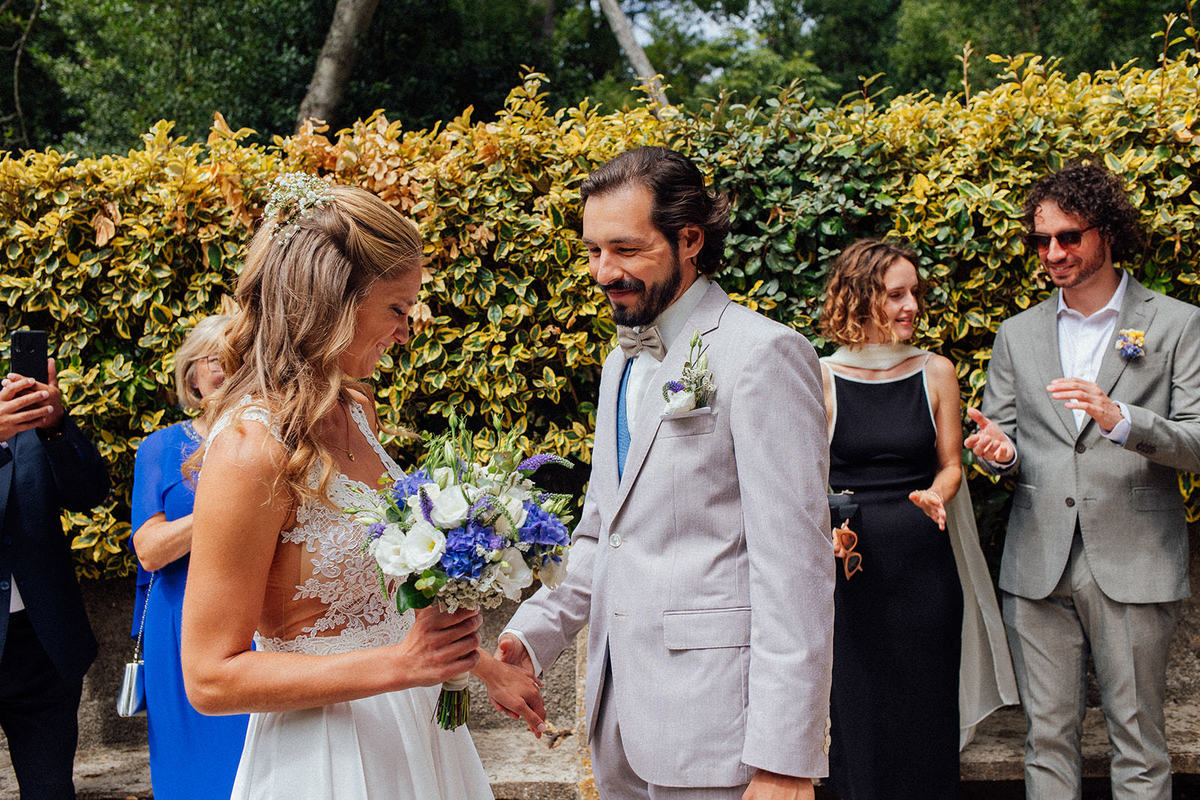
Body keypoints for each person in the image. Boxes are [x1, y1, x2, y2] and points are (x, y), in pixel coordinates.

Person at [180, 175, 542, 800]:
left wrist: (480, 667)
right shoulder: (249, 450)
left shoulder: (357, 413)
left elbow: (379, 611)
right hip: (325, 754)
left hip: (419, 732)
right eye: (397, 308)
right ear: (331, 302)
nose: (407, 330)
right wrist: (401, 667)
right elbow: (210, 679)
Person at [494, 146, 834, 800]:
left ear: (690, 240)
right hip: (621, 720)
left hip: (724, 737)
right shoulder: (621, 364)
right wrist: (529, 638)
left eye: (625, 249)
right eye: (592, 251)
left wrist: (787, 757)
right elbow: (601, 534)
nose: (603, 271)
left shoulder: (764, 354)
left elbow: (795, 570)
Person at [965, 159, 1200, 800]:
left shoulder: (1176, 324)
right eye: (1041, 240)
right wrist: (998, 453)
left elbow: (1197, 440)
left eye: (1069, 236)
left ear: (1107, 232)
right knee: (1046, 742)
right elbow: (1004, 438)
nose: (1054, 252)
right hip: (1037, 563)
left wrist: (1121, 418)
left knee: (1140, 742)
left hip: (1133, 559)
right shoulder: (1018, 333)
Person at [817, 240, 1016, 800]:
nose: (911, 307)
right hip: (851, 570)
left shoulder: (937, 372)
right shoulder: (822, 376)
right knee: (857, 713)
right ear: (859, 298)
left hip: (925, 569)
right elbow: (807, 482)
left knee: (926, 712)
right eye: (895, 295)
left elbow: (952, 465)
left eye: (914, 294)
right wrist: (825, 527)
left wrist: (935, 492)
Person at [129, 313, 250, 799]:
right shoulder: (159, 447)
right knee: (189, 770)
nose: (226, 370)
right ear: (191, 376)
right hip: (179, 625)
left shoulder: (271, 441)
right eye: (215, 360)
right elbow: (151, 550)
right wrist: (224, 511)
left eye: (238, 361)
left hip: (255, 623)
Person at [0, 348, 109, 799]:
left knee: (51, 790)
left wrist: (58, 426)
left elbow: (90, 493)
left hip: (41, 645)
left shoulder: (33, 429)